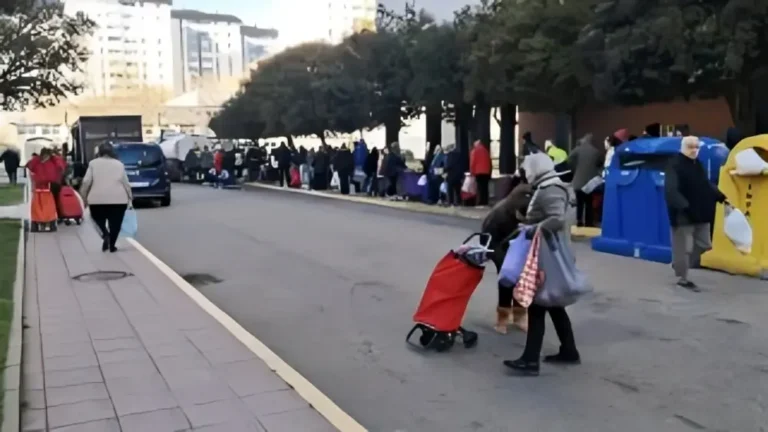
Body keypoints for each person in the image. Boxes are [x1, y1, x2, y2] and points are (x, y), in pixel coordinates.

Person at [504, 152, 579, 376]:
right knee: (554, 305)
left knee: (537, 305)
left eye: (528, 168)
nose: (525, 173)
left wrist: (531, 229)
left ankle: (530, 360)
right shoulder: (550, 186)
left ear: (537, 168)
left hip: (546, 254)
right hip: (550, 252)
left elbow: (556, 219)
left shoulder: (550, 189)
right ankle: (569, 350)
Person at [664, 136, 728, 291]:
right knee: (683, 248)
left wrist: (720, 196)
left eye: (696, 147)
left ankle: (679, 263)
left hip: (701, 212)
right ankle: (682, 277)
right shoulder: (674, 164)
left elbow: (705, 184)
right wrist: (684, 206)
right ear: (682, 147)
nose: (694, 150)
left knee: (705, 243)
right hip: (683, 215)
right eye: (690, 146)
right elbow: (671, 190)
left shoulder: (697, 164)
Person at [481, 169, 532, 333]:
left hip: (516, 244)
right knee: (507, 279)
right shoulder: (500, 215)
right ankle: (502, 318)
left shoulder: (527, 200)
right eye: (521, 216)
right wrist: (497, 257)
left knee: (522, 278)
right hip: (495, 243)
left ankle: (519, 315)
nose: (523, 220)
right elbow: (487, 239)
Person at [79, 143, 133, 253]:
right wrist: (130, 198)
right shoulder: (119, 164)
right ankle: (112, 245)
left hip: (96, 199)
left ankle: (105, 234)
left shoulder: (93, 163)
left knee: (97, 220)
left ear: (99, 152)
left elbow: (86, 181)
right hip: (118, 199)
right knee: (115, 224)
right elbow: (126, 183)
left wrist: (83, 196)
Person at [568, 134, 603, 227]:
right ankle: (589, 222)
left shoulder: (577, 149)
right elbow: (600, 163)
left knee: (579, 202)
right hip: (590, 182)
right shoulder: (596, 151)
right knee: (589, 202)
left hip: (578, 181)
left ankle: (579, 220)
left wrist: (575, 169)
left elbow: (569, 159)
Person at [470, 140, 492, 206]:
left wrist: (472, 172)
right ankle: (485, 201)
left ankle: (480, 202)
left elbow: (472, 163)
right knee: (485, 187)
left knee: (479, 188)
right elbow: (490, 162)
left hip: (478, 172)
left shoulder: (474, 151)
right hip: (486, 172)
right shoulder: (485, 150)